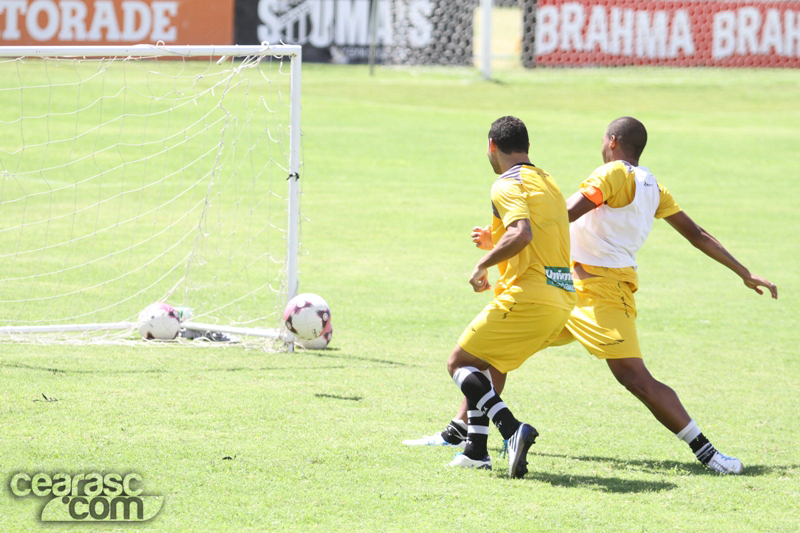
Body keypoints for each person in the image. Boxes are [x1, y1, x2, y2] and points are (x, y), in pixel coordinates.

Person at [406, 116, 778, 475]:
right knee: (494, 353)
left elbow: (560, 214)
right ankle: (464, 435)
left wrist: (504, 236)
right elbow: (697, 233)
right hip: (569, 287)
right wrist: (742, 271)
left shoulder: (612, 174)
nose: (601, 145)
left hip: (599, 294)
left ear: (612, 142)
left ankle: (709, 453)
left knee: (634, 377)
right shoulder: (654, 186)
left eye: (603, 139)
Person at [440, 115, 577, 478]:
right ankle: (475, 450)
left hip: (530, 296)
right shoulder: (547, 182)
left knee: (459, 363)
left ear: (491, 146)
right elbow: (539, 234)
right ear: (527, 148)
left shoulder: (505, 183)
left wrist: (482, 263)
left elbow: (523, 234)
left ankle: (511, 428)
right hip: (561, 298)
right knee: (487, 365)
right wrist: (493, 240)